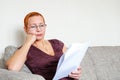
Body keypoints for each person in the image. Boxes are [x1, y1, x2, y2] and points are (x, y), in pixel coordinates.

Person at [6, 12, 81, 80]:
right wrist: (28, 42)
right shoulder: (25, 49)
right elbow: (13, 68)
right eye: (33, 26)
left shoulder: (57, 43)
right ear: (25, 29)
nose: (38, 29)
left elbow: (72, 64)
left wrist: (76, 73)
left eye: (41, 25)